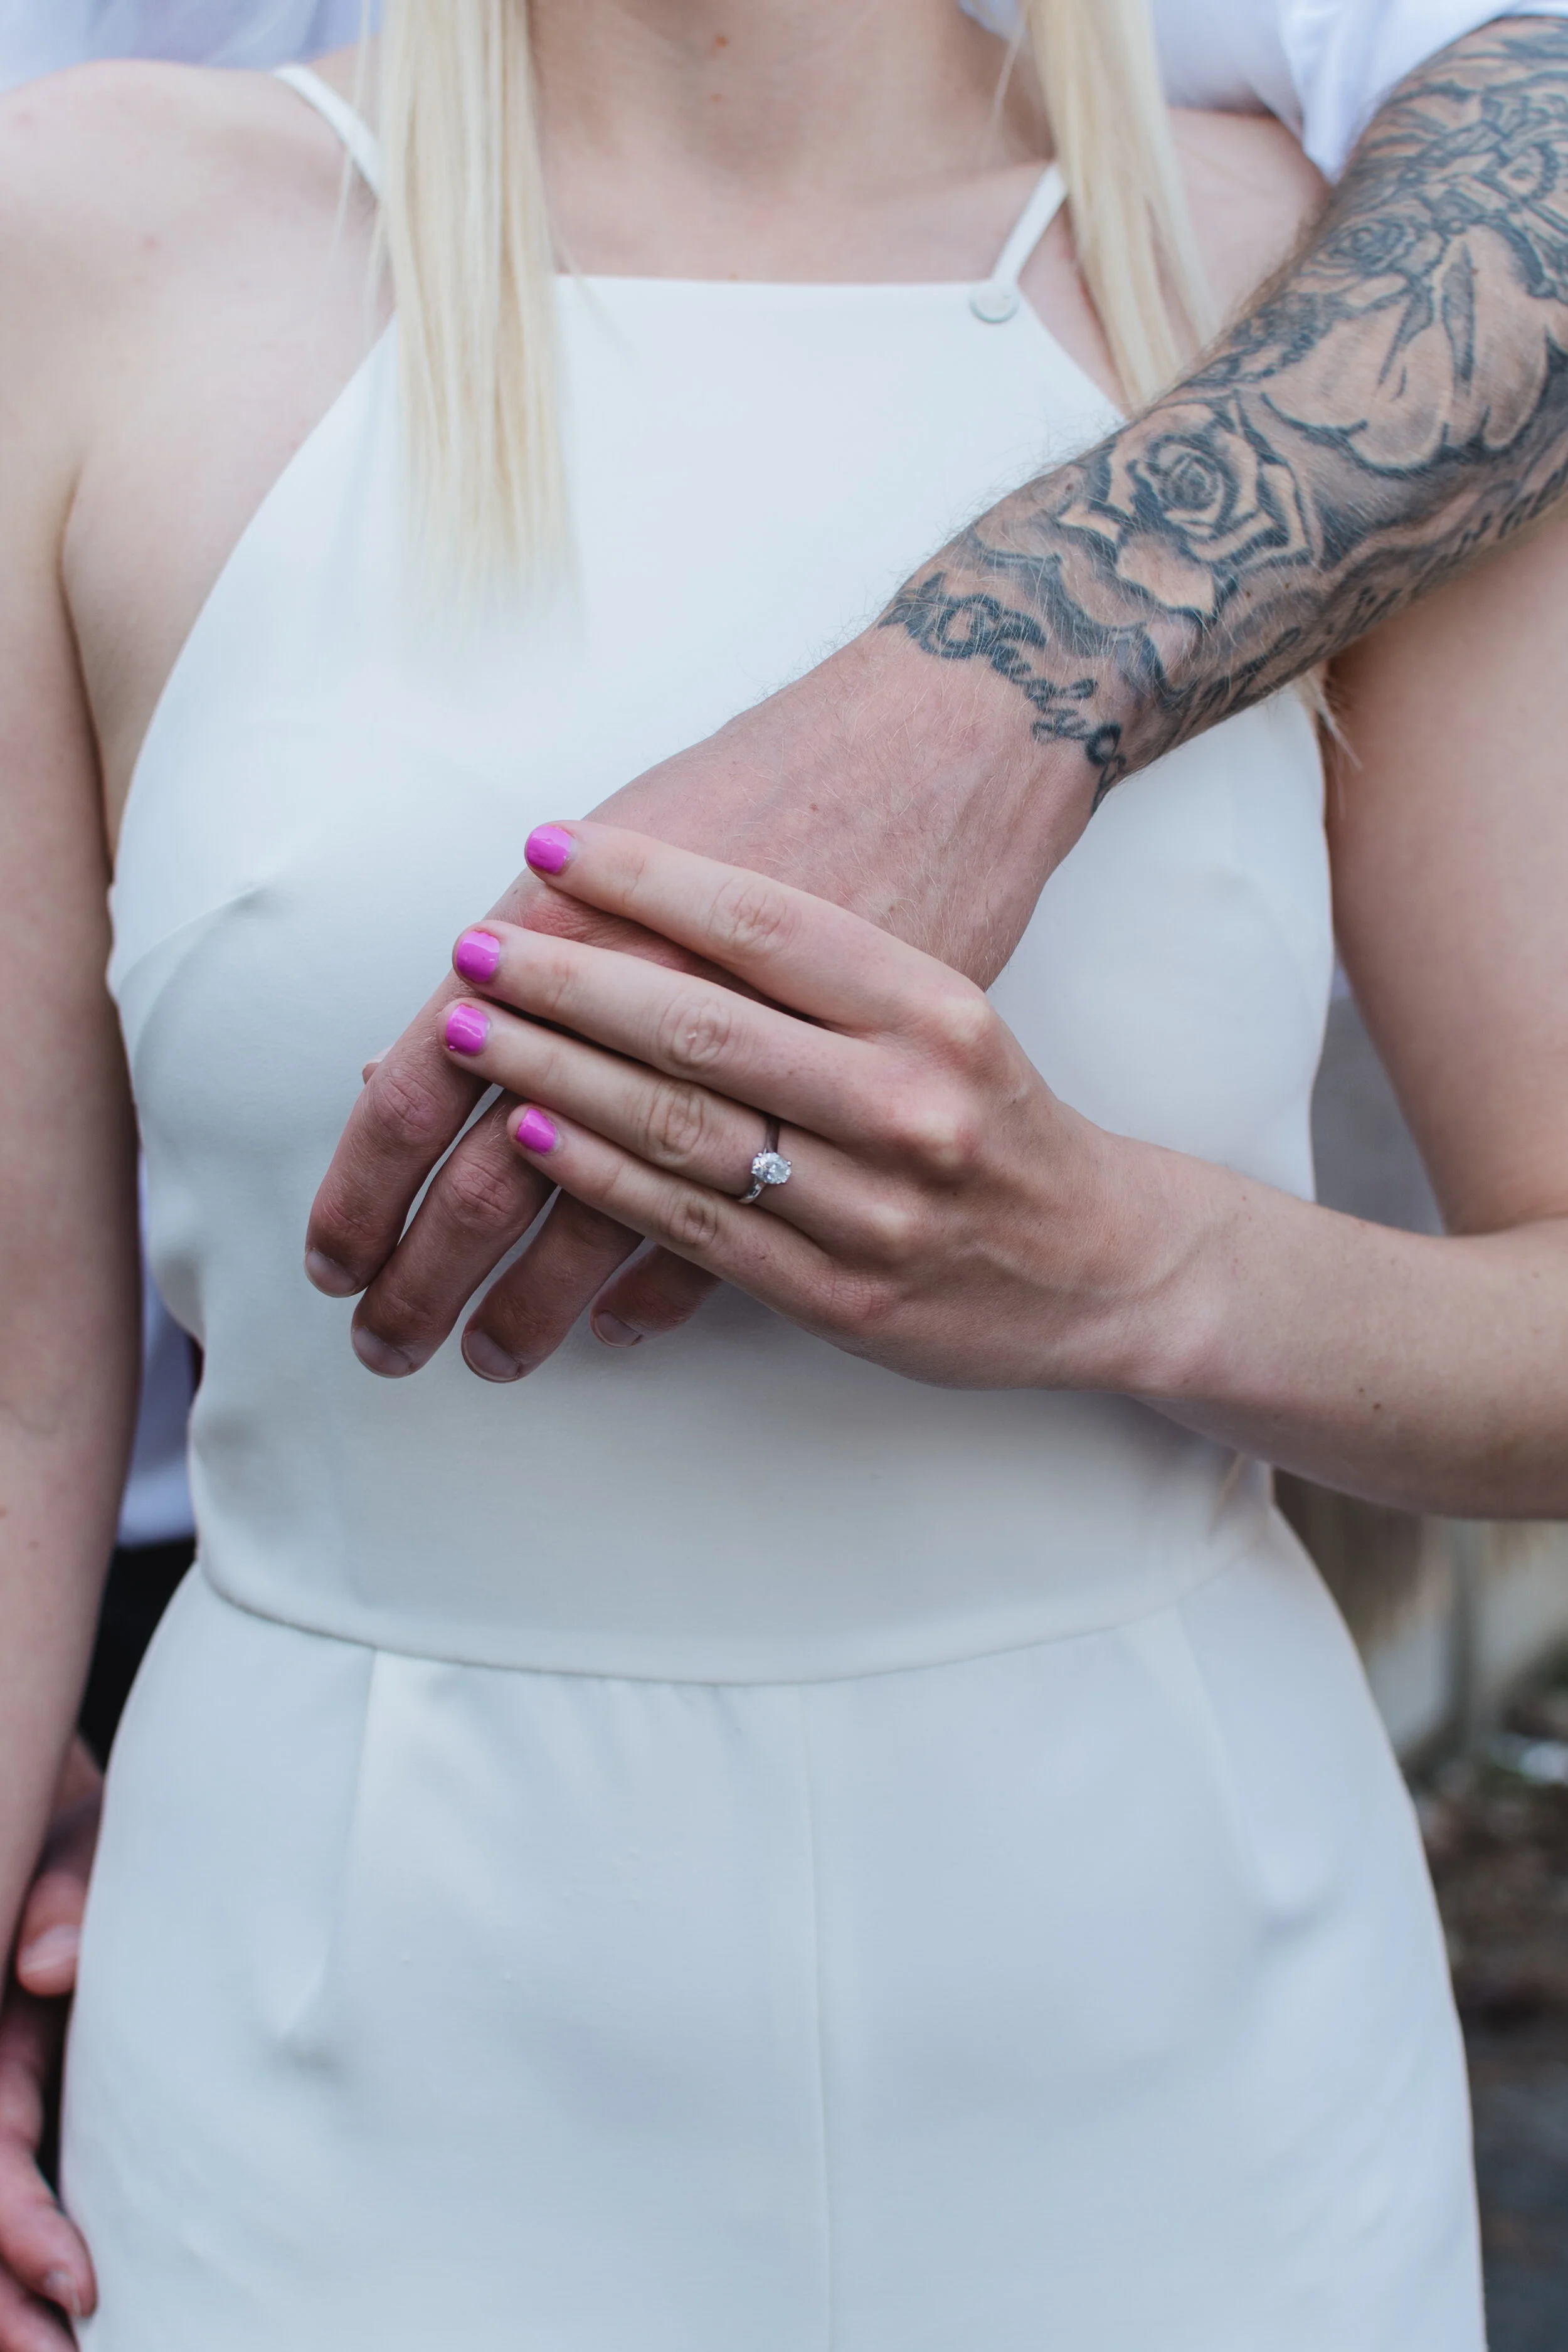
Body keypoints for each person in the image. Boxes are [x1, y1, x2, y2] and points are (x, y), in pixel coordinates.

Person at [1, 3, 1567, 2345]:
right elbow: (21, 1379)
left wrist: (1123, 1266)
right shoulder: (97, 240)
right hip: (321, 2072)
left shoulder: (1334, 307)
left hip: (1193, 2069)